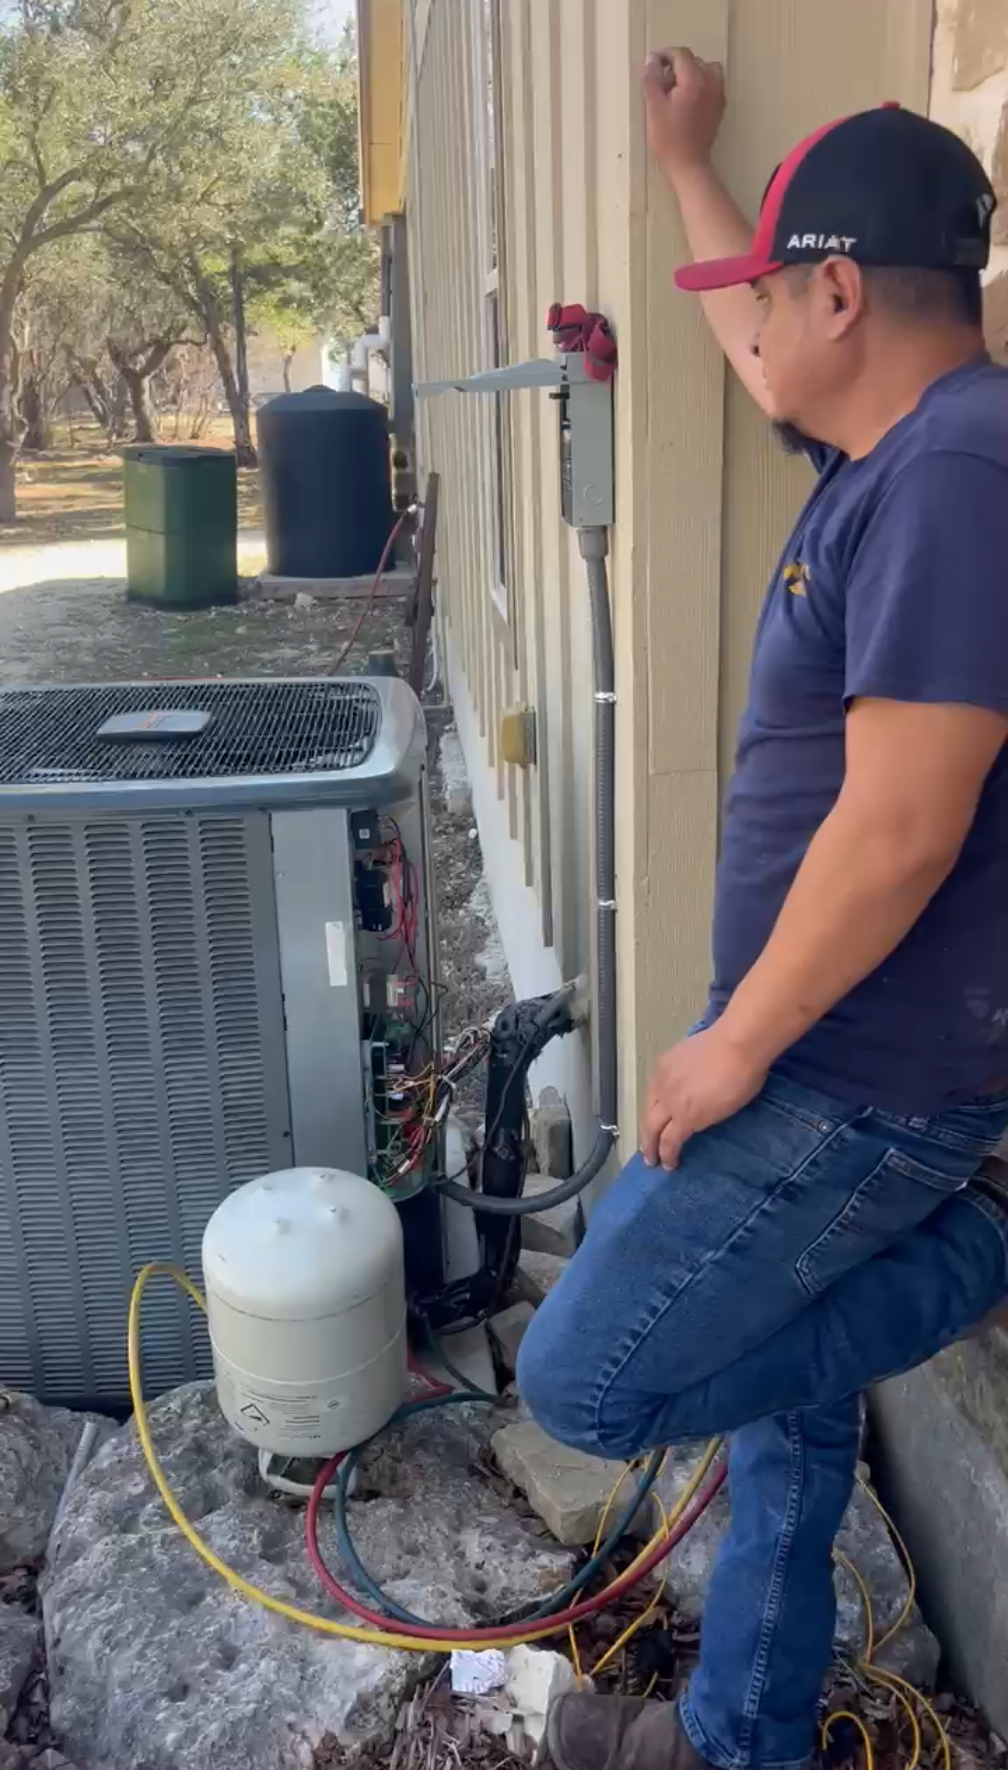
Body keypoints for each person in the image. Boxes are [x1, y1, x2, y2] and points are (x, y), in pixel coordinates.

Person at [517, 47, 1008, 1770]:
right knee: (793, 1409)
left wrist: (734, 1042)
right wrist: (686, 168)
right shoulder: (901, 446)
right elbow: (756, 344)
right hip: (837, 1055)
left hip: (853, 1086)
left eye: (775, 290)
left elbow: (901, 826)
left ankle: (986, 1246)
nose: (751, 330)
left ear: (847, 290)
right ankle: (742, 1738)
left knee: (583, 1384)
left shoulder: (958, 472)